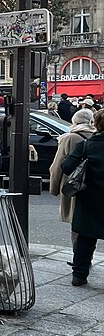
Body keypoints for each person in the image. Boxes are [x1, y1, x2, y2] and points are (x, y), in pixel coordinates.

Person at [60, 108, 104, 286]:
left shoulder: (86, 146)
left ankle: (79, 275)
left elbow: (66, 167)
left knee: (85, 237)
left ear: (96, 124)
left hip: (89, 198)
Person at [50, 108, 95, 241]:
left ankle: (78, 251)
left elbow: (57, 166)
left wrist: (54, 189)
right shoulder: (96, 136)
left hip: (75, 184)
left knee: (76, 222)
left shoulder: (69, 138)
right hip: (94, 183)